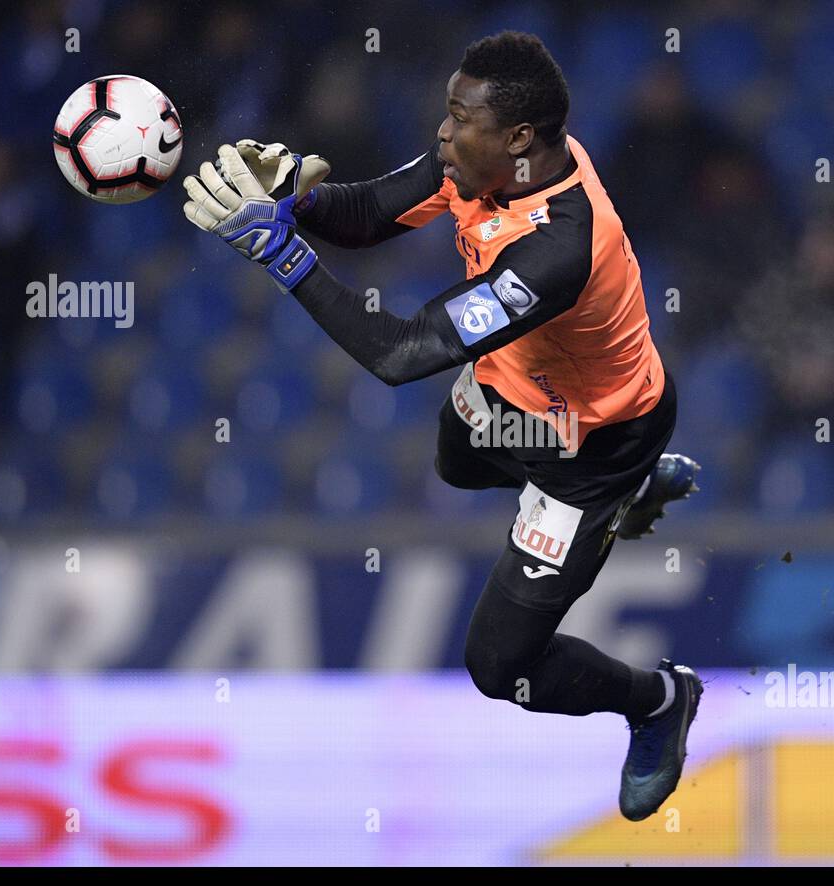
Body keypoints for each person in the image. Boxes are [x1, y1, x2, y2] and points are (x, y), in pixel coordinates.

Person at [182, 31, 702, 821]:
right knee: (457, 464)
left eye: (459, 119)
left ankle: (658, 700)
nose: (441, 133)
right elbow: (365, 218)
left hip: (588, 446)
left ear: (519, 138)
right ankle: (626, 504)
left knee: (500, 667)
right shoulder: (487, 160)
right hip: (510, 393)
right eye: (447, 114)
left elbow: (397, 356)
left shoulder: (558, 248)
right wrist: (298, 195)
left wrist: (280, 254)